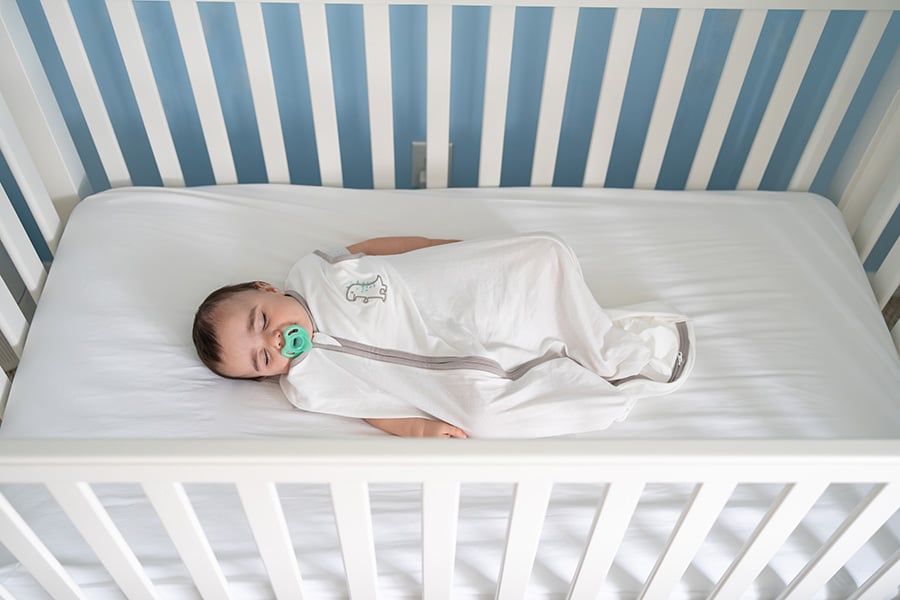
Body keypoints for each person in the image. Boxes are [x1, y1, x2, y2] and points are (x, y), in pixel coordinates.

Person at [193, 233, 694, 438]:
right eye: (262, 359)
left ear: (265, 287)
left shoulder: (316, 271)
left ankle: (604, 348)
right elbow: (367, 404)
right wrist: (419, 429)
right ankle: (592, 385)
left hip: (452, 299)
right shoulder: (307, 385)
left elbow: (383, 249)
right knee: (484, 413)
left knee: (541, 259)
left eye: (260, 321)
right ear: (266, 377)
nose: (277, 341)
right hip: (446, 371)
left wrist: (454, 248)